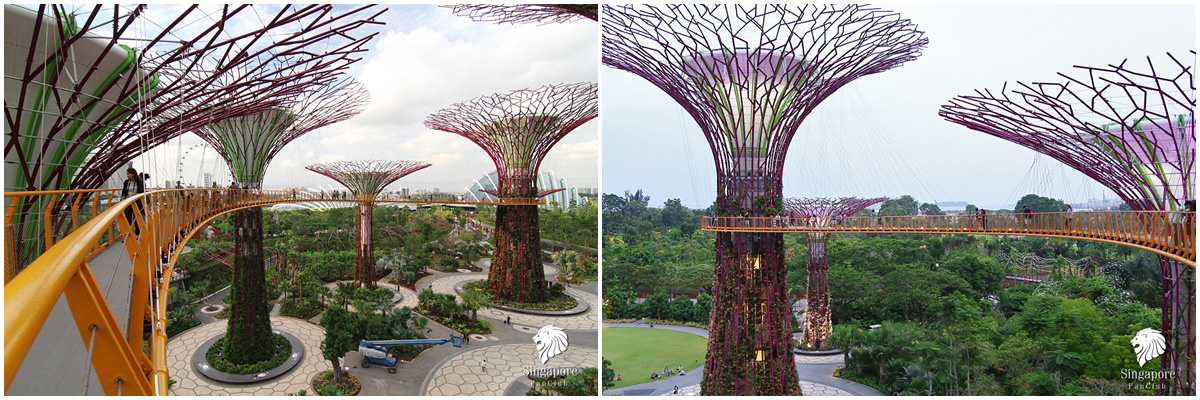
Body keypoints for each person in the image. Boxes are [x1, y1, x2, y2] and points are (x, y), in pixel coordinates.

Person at [121, 167, 145, 236]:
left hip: (137, 202)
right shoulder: (126, 182)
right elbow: (124, 191)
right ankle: (129, 234)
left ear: (133, 174)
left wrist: (133, 194)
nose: (127, 175)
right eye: (127, 174)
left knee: (136, 217)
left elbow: (142, 192)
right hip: (128, 202)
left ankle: (137, 234)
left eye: (128, 174)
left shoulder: (139, 182)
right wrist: (122, 198)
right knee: (128, 218)